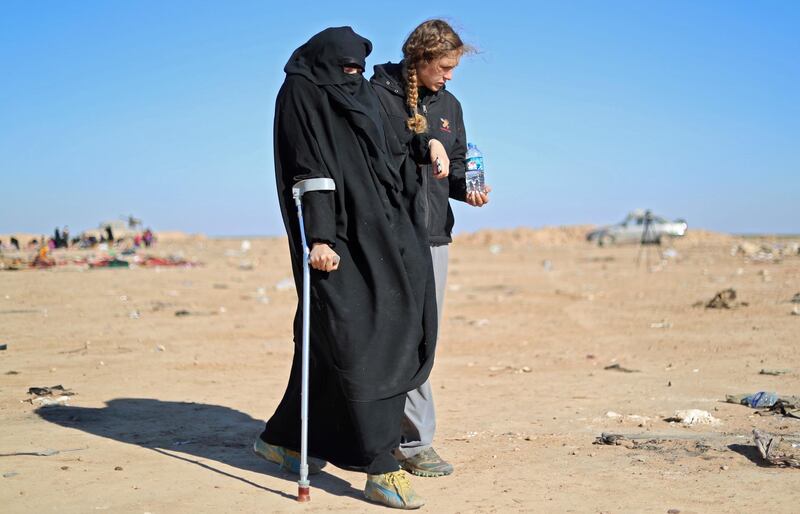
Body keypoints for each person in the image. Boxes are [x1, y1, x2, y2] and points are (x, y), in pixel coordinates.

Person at [255, 26, 438, 509]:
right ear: (322, 64)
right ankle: (381, 466)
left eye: (359, 69)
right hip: (335, 239)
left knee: (338, 343)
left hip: (383, 232)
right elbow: (307, 165)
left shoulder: (358, 95)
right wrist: (319, 236)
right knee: (359, 343)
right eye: (345, 69)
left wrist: (426, 147)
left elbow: (385, 150)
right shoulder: (301, 92)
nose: (353, 77)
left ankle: (286, 439)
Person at [371, 19, 491, 478]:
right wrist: (428, 144)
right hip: (383, 234)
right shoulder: (378, 93)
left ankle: (415, 442)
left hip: (433, 236)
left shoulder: (451, 105)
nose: (449, 75)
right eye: (443, 66)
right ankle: (372, 432)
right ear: (419, 59)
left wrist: (469, 187)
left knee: (422, 338)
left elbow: (457, 163)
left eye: (453, 68)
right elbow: (379, 154)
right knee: (384, 336)